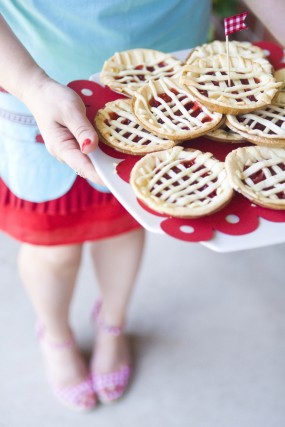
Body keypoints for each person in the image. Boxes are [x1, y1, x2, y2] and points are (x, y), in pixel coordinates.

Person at [0, 0, 212, 411]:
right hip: (35, 88)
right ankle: (56, 336)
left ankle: (112, 325)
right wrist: (31, 84)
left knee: (123, 228)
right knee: (52, 246)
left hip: (166, 92)